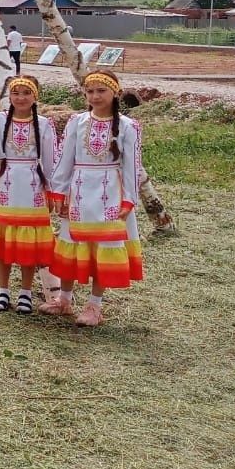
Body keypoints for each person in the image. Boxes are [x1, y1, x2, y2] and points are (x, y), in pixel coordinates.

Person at [39, 69, 143, 327]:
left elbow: (132, 166)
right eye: (90, 91)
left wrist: (129, 199)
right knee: (70, 244)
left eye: (101, 91)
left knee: (103, 248)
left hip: (110, 195)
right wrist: (59, 192)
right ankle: (64, 299)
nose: (95, 96)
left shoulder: (128, 127)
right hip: (80, 191)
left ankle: (94, 305)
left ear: (115, 93)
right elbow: (65, 159)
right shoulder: (78, 121)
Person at [0, 75, 58, 315]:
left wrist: (52, 192)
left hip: (33, 187)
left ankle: (25, 292)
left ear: (35, 96)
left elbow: (50, 161)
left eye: (26, 93)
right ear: (9, 96)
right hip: (6, 185)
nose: (20, 98)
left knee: (28, 243)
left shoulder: (44, 124)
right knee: (4, 241)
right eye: (16, 93)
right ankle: (3, 290)